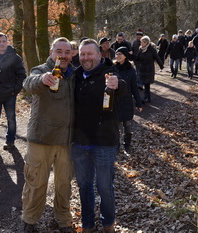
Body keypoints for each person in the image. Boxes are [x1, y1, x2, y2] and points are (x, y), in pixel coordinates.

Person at [72, 39, 127, 233]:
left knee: (105, 187)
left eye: (89, 54)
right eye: (82, 54)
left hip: (104, 142)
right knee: (84, 186)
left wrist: (116, 85)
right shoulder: (75, 75)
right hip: (79, 143)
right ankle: (87, 224)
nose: (86, 57)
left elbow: (123, 86)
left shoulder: (109, 72)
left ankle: (108, 224)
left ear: (98, 55)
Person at [21, 37, 75, 233]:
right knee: (36, 183)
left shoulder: (74, 74)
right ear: (52, 53)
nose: (63, 55)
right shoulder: (41, 70)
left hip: (66, 141)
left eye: (67, 52)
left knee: (63, 185)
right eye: (59, 51)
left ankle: (62, 220)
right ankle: (29, 220)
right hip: (41, 138)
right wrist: (42, 79)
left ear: (72, 54)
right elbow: (28, 83)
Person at [113, 46, 143, 154]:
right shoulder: (112, 68)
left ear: (125, 56)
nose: (117, 56)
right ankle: (116, 146)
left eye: (120, 54)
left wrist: (138, 103)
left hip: (126, 101)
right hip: (114, 101)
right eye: (116, 54)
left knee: (127, 126)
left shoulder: (131, 70)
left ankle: (127, 146)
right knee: (116, 126)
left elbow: (134, 87)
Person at [136, 35, 164, 103]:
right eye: (141, 42)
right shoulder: (140, 49)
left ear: (146, 43)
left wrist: (161, 66)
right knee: (145, 84)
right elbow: (137, 58)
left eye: (142, 42)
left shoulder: (152, 50)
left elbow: (157, 58)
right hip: (142, 69)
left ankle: (145, 98)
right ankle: (148, 98)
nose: (141, 44)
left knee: (147, 84)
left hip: (149, 69)